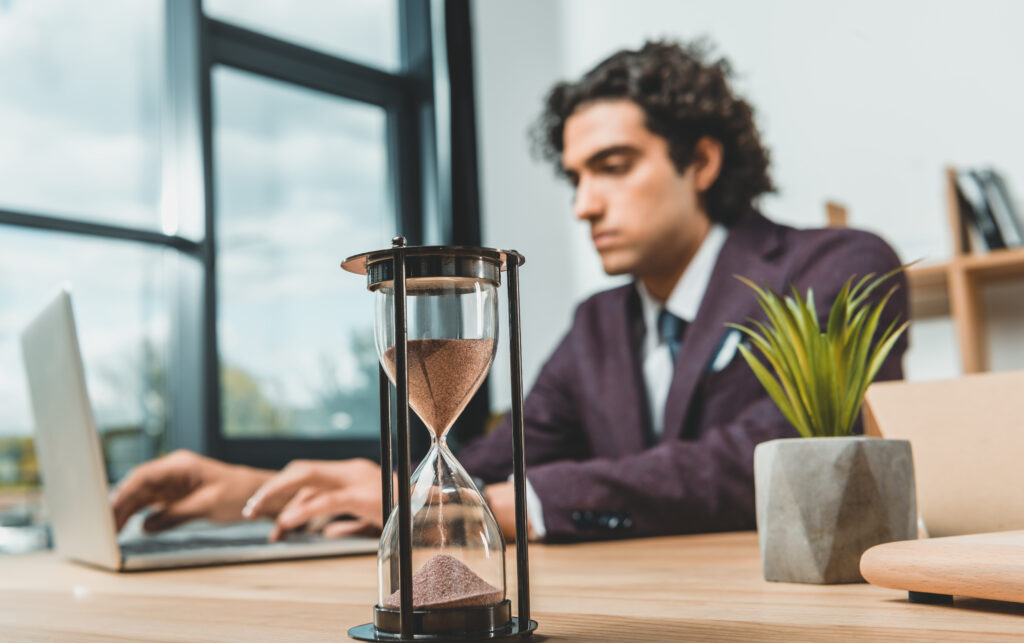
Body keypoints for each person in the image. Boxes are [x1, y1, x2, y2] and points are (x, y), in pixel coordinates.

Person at [112, 40, 908, 543]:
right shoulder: (601, 324)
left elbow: (770, 462)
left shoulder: (837, 267)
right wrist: (264, 488)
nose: (583, 204)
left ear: (700, 161)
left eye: (614, 165)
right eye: (573, 176)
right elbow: (486, 458)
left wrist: (500, 506)